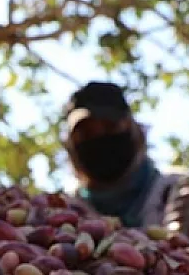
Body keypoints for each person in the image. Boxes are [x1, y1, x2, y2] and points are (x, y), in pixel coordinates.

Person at [64, 81, 180, 227]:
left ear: (134, 129)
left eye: (110, 127)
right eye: (87, 133)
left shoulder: (179, 193)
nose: (100, 139)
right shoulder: (64, 211)